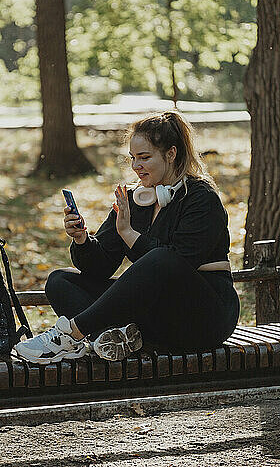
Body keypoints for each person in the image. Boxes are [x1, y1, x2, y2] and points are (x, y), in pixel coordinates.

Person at [13, 110, 240, 364]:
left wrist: (129, 234)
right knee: (60, 280)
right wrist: (82, 240)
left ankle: (71, 334)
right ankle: (108, 339)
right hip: (154, 320)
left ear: (171, 154)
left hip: (202, 318)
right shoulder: (136, 199)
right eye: (133, 158)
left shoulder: (201, 197)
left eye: (144, 157)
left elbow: (176, 264)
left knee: (162, 258)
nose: (136, 166)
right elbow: (100, 267)